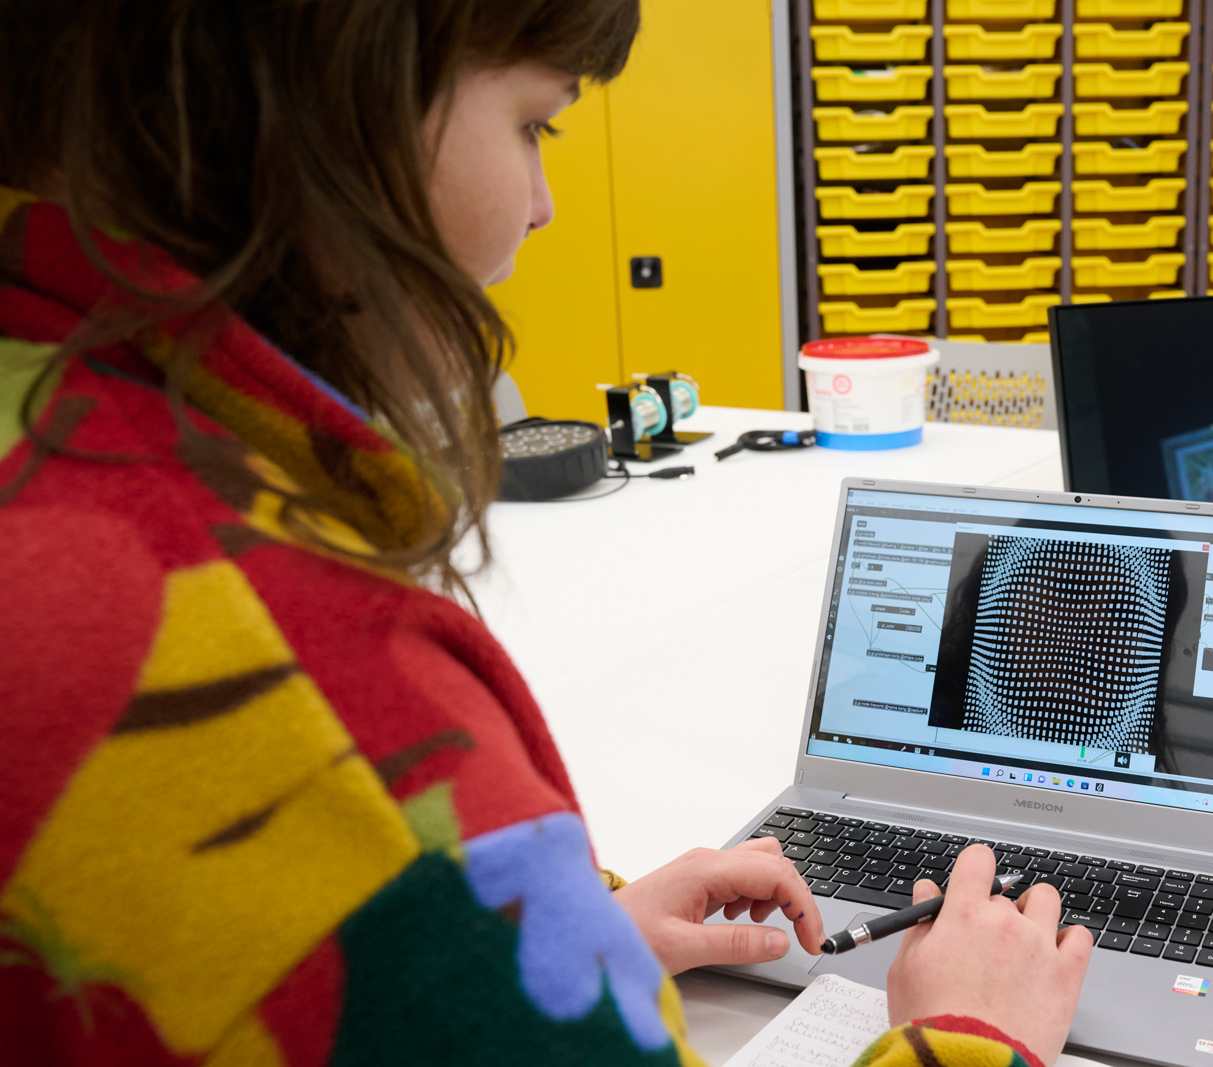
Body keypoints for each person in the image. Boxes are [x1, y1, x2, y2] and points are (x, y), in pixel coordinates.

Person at [0, 2, 1093, 1064]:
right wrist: (970, 1035)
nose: (541, 205)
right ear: (351, 85)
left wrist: (557, 942)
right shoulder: (309, 709)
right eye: (534, 123)